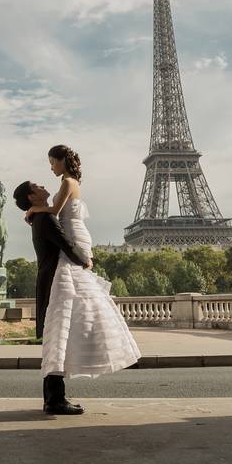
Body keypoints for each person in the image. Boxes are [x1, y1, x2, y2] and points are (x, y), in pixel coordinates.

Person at [25, 145, 141, 396]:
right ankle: (57, 387)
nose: (51, 167)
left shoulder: (67, 182)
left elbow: (55, 212)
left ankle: (57, 384)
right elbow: (56, 218)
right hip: (72, 238)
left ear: (62, 161)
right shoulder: (67, 183)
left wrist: (34, 209)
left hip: (73, 238)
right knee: (72, 302)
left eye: (52, 162)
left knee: (67, 303)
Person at [12, 179, 90, 415]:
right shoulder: (45, 218)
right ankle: (55, 400)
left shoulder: (39, 216)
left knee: (55, 341)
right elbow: (65, 243)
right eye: (36, 186)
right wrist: (85, 260)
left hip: (48, 280)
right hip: (55, 281)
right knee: (57, 341)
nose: (43, 185)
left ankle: (53, 398)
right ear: (32, 197)